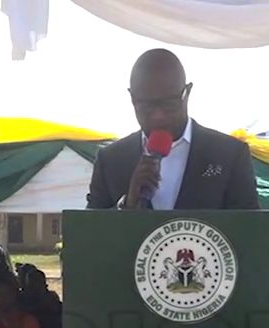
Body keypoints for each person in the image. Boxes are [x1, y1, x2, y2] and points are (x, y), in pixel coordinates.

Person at [86, 48, 259, 211]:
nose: (158, 116)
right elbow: (89, 234)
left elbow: (251, 229)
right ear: (132, 98)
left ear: (187, 93)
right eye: (146, 106)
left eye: (169, 104)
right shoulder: (110, 161)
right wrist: (128, 205)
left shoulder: (229, 155)